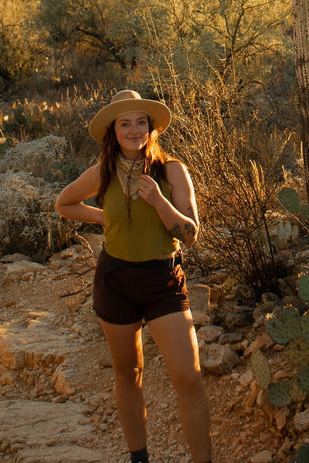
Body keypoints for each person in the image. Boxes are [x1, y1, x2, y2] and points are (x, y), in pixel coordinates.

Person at [54, 89, 212, 463]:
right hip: (116, 280)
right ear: (113, 131)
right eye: (125, 123)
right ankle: (138, 458)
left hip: (162, 281)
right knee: (129, 373)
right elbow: (64, 203)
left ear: (151, 128)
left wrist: (159, 201)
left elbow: (191, 233)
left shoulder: (172, 170)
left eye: (141, 122)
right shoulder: (103, 173)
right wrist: (103, 218)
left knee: (188, 377)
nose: (134, 130)